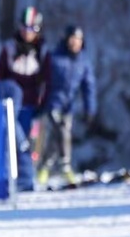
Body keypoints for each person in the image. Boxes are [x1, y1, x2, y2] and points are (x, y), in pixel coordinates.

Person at [38, 25, 96, 186]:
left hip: (68, 106)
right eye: (72, 39)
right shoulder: (54, 57)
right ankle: (66, 166)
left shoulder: (83, 61)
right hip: (53, 102)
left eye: (78, 40)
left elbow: (88, 87)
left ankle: (44, 167)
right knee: (61, 132)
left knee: (57, 137)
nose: (75, 43)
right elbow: (42, 81)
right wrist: (39, 102)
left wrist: (89, 109)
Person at [0, 6, 47, 135]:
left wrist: (42, 102)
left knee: (29, 141)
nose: (27, 32)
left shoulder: (42, 51)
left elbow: (46, 79)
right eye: (24, 28)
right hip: (12, 104)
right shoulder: (10, 48)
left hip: (31, 105)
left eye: (31, 29)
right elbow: (0, 76)